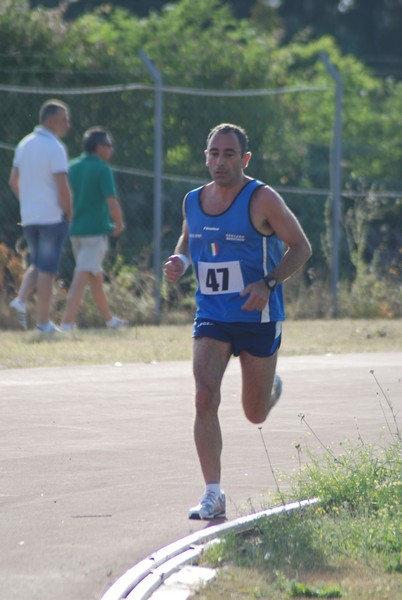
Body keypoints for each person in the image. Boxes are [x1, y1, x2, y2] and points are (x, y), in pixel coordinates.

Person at [164, 123, 312, 520]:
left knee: (254, 413)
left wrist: (269, 282)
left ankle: (270, 389)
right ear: (205, 156)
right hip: (212, 314)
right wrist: (182, 259)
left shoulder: (262, 198)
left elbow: (301, 247)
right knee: (203, 394)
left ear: (244, 159)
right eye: (214, 153)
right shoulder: (193, 200)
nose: (220, 161)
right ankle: (213, 492)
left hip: (257, 316)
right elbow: (189, 238)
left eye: (229, 154)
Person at [9, 99, 72, 332]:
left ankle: (21, 300)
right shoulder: (54, 147)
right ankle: (43, 323)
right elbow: (62, 187)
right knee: (48, 271)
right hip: (51, 217)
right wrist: (69, 212)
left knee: (37, 263)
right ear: (51, 120)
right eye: (64, 120)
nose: (68, 125)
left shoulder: (24, 144)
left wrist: (27, 201)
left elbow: (13, 181)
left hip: (30, 215)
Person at [60, 126, 127, 331]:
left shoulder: (72, 166)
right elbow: (112, 202)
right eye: (108, 145)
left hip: (75, 232)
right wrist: (119, 223)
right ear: (99, 147)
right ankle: (66, 324)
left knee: (95, 278)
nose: (111, 149)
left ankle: (110, 321)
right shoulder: (102, 168)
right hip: (95, 234)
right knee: (80, 279)